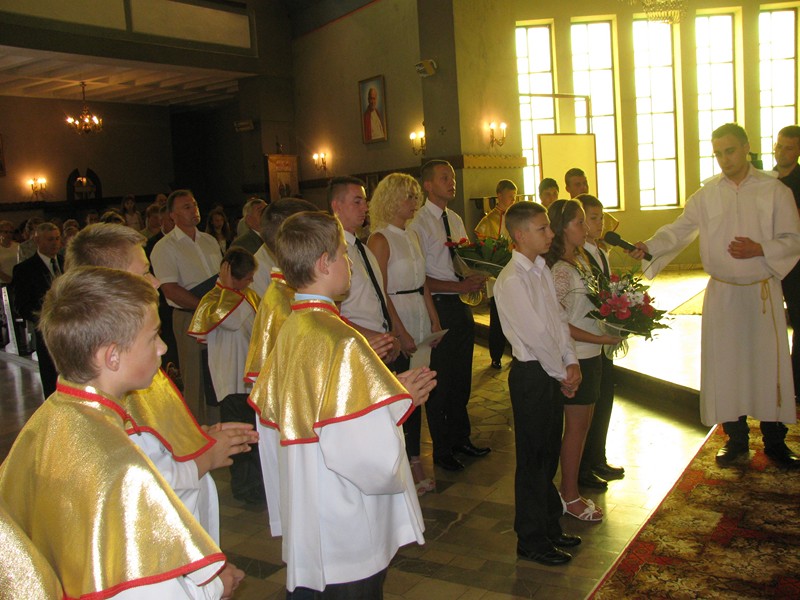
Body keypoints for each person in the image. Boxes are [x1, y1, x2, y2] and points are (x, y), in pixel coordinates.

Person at [0, 266, 243, 598]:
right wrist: (214, 588)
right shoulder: (121, 468)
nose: (162, 348)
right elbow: (144, 584)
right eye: (153, 337)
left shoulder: (46, 421)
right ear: (112, 356)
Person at [251, 210, 436, 596]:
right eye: (343, 254)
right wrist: (402, 402)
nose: (349, 262)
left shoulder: (294, 329)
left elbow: (305, 420)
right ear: (324, 263)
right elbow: (360, 451)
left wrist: (387, 393)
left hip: (311, 504)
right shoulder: (341, 340)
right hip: (346, 521)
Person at [631, 123, 800, 468]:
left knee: (767, 365)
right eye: (718, 153)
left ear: (747, 147)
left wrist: (761, 248)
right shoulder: (707, 194)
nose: (724, 159)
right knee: (726, 365)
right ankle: (735, 438)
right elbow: (679, 229)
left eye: (730, 151)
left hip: (762, 293)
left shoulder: (775, 191)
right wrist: (649, 246)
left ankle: (774, 440)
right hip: (723, 293)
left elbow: (793, 238)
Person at [494, 201, 582, 566]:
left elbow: (558, 321)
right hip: (532, 374)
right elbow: (535, 336)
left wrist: (571, 360)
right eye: (542, 228)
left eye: (549, 227)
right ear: (520, 235)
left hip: (551, 370)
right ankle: (530, 539)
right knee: (532, 459)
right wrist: (563, 373)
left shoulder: (541, 269)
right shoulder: (512, 280)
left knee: (547, 454)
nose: (550, 233)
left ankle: (549, 524)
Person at [408, 159, 489, 471]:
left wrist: (475, 275)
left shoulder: (454, 218)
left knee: (461, 377)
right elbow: (421, 278)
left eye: (452, 177)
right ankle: (441, 449)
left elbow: (461, 260)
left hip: (459, 303)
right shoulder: (418, 223)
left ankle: (461, 438)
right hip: (437, 305)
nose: (452, 182)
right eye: (444, 178)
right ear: (428, 185)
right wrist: (458, 286)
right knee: (440, 380)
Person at [545, 199, 620, 521]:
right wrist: (600, 338)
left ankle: (571, 490)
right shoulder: (561, 271)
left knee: (583, 427)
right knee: (575, 430)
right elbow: (557, 323)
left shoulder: (580, 260)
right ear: (563, 229)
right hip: (576, 356)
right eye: (579, 222)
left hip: (591, 355)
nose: (586, 227)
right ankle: (569, 494)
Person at [368, 172, 442, 496]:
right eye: (408, 196)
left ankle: (415, 457)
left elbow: (422, 283)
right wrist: (400, 332)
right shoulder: (380, 239)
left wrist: (434, 320)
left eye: (415, 196)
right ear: (390, 199)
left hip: (418, 313)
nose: (414, 203)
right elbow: (381, 291)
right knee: (401, 393)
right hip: (398, 315)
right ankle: (405, 462)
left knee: (420, 390)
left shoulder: (411, 234)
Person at [188, 247, 265, 504]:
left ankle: (257, 486)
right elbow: (227, 322)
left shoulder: (246, 296)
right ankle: (245, 489)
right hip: (229, 378)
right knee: (240, 438)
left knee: (252, 434)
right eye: (247, 277)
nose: (251, 281)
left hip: (248, 377)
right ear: (234, 277)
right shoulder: (217, 299)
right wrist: (225, 288)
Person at [151, 190, 223, 421]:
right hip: (189, 316)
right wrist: (205, 309)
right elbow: (170, 290)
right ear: (172, 215)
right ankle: (198, 428)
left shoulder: (209, 241)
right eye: (186, 207)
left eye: (195, 205)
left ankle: (219, 422)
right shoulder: (165, 247)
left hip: (217, 314)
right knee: (195, 377)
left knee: (218, 373)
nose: (194, 210)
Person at [577, 194, 625, 486]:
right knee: (590, 405)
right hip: (588, 341)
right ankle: (584, 466)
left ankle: (598, 457)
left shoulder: (600, 252)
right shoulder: (578, 257)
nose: (600, 223)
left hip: (603, 340)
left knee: (605, 399)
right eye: (593, 218)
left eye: (601, 217)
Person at [329, 176, 401, 365]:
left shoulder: (364, 249)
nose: (365, 208)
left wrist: (391, 334)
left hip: (379, 344)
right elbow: (332, 315)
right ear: (337, 206)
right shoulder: (332, 254)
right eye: (357, 202)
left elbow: (378, 298)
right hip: (358, 347)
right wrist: (378, 338)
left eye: (365, 201)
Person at [12, 222, 63, 397]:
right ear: (37, 241)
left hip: (71, 327)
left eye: (57, 239)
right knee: (51, 378)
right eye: (50, 239)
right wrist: (43, 319)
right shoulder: (24, 269)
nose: (55, 243)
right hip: (45, 329)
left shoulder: (66, 262)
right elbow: (21, 305)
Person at [475, 179, 517, 369]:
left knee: (516, 315)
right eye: (510, 196)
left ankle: (516, 352)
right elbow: (485, 249)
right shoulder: (488, 221)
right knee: (498, 316)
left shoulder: (516, 218)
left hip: (514, 272)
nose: (513, 200)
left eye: (515, 197)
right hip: (497, 275)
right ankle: (496, 354)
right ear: (499, 196)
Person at [774, 125, 800, 403]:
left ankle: (796, 386)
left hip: (796, 263)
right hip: (765, 260)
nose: (781, 152)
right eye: (779, 146)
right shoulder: (765, 180)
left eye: (788, 147)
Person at [565, 167, 619, 233]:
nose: (584, 187)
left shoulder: (605, 217)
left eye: (585, 183)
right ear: (568, 188)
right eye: (578, 185)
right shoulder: (564, 214)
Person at [0, 219, 19, 284]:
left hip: (19, 281)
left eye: (11, 232)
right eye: (6, 232)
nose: (8, 234)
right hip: (3, 283)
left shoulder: (18, 246)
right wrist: (11, 281)